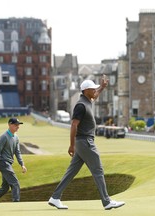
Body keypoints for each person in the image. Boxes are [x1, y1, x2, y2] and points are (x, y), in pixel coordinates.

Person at [48, 76, 125, 210]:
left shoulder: (88, 100)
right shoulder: (81, 105)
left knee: (71, 172)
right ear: (86, 90)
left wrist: (102, 87)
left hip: (82, 143)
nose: (95, 90)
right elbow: (74, 125)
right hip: (85, 141)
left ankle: (55, 197)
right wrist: (71, 145)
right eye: (93, 89)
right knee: (98, 170)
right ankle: (106, 202)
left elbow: (96, 94)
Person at [0, 117, 27, 203]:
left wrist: (22, 164)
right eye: (16, 125)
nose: (18, 127)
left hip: (8, 164)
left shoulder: (16, 137)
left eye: (18, 125)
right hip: (3, 163)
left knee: (5, 188)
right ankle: (16, 203)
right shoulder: (3, 137)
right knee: (15, 183)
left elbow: (17, 152)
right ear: (10, 125)